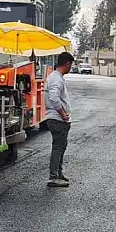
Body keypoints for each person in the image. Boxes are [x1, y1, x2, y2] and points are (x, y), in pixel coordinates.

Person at [45, 51, 74, 187]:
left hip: (58, 119)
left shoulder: (56, 77)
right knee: (58, 147)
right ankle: (53, 177)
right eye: (71, 65)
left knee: (61, 146)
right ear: (67, 63)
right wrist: (63, 114)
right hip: (57, 119)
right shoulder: (56, 78)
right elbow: (54, 98)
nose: (71, 68)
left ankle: (59, 173)